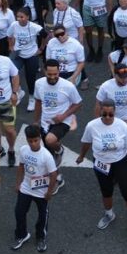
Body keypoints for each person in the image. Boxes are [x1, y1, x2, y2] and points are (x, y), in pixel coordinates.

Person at [77, 98, 127, 232]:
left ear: (115, 112)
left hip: (120, 162)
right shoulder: (92, 126)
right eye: (104, 114)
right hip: (101, 163)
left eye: (111, 114)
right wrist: (81, 156)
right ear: (100, 111)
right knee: (106, 190)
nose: (107, 117)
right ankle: (109, 214)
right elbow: (86, 142)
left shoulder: (122, 126)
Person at [31, 59, 82, 189]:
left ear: (59, 71)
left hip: (62, 122)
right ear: (44, 72)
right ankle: (58, 179)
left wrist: (64, 116)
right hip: (45, 122)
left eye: (55, 74)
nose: (53, 77)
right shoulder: (39, 84)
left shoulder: (68, 86)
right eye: (50, 74)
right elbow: (38, 102)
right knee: (49, 156)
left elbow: (78, 103)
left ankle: (59, 149)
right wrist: (36, 121)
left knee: (49, 140)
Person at [12, 125, 58, 253]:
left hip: (41, 192)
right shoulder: (23, 150)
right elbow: (21, 166)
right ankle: (22, 235)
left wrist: (49, 191)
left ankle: (41, 237)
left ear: (40, 138)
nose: (33, 144)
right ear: (27, 140)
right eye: (30, 141)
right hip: (26, 188)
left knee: (43, 216)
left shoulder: (46, 156)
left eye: (36, 140)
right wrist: (18, 183)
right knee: (19, 212)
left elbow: (53, 174)